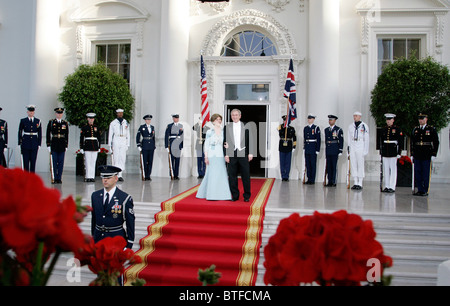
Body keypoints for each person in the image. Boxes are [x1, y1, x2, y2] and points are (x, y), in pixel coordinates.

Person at [91, 165, 135, 249]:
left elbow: (130, 222)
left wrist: (129, 243)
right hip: (98, 239)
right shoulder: (95, 196)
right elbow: (94, 219)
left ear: (116, 178)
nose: (105, 180)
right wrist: (93, 237)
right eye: (103, 177)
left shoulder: (124, 198)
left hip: (115, 239)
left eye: (108, 177)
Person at [196, 114, 231, 200]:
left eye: (220, 119)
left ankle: (223, 194)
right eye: (217, 119)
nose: (218, 121)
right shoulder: (209, 132)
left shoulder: (224, 131)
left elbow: (226, 142)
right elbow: (206, 145)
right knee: (211, 173)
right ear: (213, 121)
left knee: (221, 173)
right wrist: (206, 157)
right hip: (212, 154)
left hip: (220, 154)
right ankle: (211, 194)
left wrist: (227, 146)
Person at [224, 109, 255, 202]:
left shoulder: (246, 125)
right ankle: (235, 195)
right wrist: (226, 154)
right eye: (233, 115)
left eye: (236, 115)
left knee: (245, 175)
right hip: (231, 154)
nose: (234, 116)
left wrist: (251, 153)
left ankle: (246, 196)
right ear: (231, 116)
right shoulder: (227, 127)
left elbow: (251, 139)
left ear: (240, 116)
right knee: (232, 176)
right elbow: (224, 141)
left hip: (243, 154)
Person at [411, 113, 439, 196]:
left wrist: (434, 154)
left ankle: (425, 190)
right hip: (418, 154)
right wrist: (412, 153)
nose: (421, 120)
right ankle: (419, 189)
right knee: (418, 172)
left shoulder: (431, 129)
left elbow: (436, 142)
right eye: (419, 119)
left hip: (427, 154)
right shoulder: (415, 129)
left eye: (422, 119)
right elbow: (412, 142)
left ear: (426, 119)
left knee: (426, 172)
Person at [379, 113, 404, 193]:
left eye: (390, 120)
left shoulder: (397, 129)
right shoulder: (384, 129)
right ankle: (386, 185)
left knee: (393, 169)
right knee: (386, 169)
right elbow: (381, 141)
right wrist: (381, 151)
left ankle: (392, 186)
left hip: (393, 151)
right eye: (387, 120)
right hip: (385, 150)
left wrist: (399, 152)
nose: (388, 121)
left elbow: (400, 141)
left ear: (393, 120)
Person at [46, 107, 69, 184]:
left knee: (61, 162)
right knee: (54, 162)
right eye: (58, 113)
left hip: (62, 144)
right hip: (54, 144)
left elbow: (66, 134)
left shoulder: (65, 123)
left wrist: (66, 145)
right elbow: (48, 134)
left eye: (61, 113)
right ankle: (54, 178)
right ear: (55, 114)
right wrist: (48, 144)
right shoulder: (52, 122)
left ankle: (59, 178)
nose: (59, 115)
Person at [347, 111, 369, 190]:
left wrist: (365, 150)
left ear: (360, 117)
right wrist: (348, 149)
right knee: (353, 163)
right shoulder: (351, 126)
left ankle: (360, 182)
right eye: (354, 116)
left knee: (360, 163)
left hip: (360, 145)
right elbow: (349, 138)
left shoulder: (364, 126)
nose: (355, 117)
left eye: (356, 116)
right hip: (353, 144)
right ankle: (355, 181)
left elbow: (366, 139)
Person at [18, 105, 42, 173]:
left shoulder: (38, 121)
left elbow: (39, 133)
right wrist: (20, 142)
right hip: (25, 142)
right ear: (27, 112)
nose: (31, 113)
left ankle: (32, 177)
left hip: (34, 142)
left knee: (33, 161)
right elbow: (20, 131)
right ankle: (26, 177)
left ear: (34, 112)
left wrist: (39, 143)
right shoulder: (23, 120)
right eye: (30, 111)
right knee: (25, 161)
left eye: (32, 111)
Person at [108, 109, 130, 182]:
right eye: (119, 113)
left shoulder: (125, 122)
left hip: (123, 139)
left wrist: (128, 144)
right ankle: (116, 174)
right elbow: (110, 134)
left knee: (122, 158)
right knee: (116, 157)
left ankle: (120, 174)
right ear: (117, 114)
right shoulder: (113, 123)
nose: (120, 114)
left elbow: (128, 134)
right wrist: (110, 145)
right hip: (116, 139)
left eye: (121, 113)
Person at [80, 113, 101, 182]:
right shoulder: (84, 127)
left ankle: (92, 177)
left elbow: (99, 137)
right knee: (88, 162)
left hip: (94, 146)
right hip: (87, 146)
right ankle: (88, 176)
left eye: (92, 119)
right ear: (87, 119)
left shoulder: (96, 127)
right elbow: (81, 138)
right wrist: (81, 148)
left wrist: (99, 147)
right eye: (90, 118)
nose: (91, 120)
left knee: (93, 162)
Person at [324, 115, 343, 187]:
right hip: (328, 150)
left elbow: (341, 140)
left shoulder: (338, 129)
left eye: (331, 120)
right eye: (329, 120)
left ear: (335, 121)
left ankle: (333, 181)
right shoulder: (326, 129)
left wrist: (340, 150)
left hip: (335, 149)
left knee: (333, 166)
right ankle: (329, 181)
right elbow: (326, 140)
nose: (330, 121)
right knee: (328, 166)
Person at [136, 115, 156, 181]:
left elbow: (153, 137)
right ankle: (144, 175)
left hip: (151, 146)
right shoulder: (142, 127)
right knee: (144, 161)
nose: (148, 121)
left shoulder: (152, 127)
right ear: (145, 120)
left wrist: (154, 145)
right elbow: (138, 136)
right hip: (144, 145)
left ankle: (148, 175)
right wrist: (138, 145)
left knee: (150, 161)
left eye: (149, 120)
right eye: (147, 120)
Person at [278, 115, 297, 181]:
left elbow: (294, 138)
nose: (285, 121)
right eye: (284, 120)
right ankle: (283, 176)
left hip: (289, 145)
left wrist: (294, 146)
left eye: (286, 120)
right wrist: (284, 127)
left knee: (288, 162)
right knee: (282, 162)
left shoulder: (292, 128)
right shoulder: (280, 127)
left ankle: (287, 176)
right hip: (282, 145)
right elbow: (280, 133)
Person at [165, 114, 184, 180]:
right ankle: (172, 174)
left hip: (178, 144)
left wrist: (182, 145)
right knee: (172, 160)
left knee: (177, 160)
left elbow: (182, 136)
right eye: (175, 118)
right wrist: (166, 146)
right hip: (172, 143)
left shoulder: (180, 125)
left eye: (177, 118)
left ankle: (176, 175)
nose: (176, 119)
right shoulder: (169, 126)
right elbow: (166, 136)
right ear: (173, 119)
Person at [303, 114, 321, 184]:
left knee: (312, 164)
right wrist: (304, 147)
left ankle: (312, 179)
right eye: (308, 118)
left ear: (313, 119)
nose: (309, 120)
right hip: (307, 147)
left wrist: (317, 149)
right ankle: (308, 178)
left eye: (310, 118)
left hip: (313, 147)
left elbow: (318, 139)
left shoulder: (316, 128)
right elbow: (305, 138)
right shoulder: (305, 128)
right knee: (307, 164)